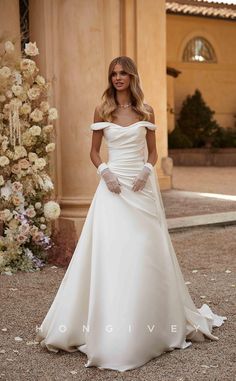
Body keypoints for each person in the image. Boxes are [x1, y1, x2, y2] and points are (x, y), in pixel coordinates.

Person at [35, 56, 227, 372]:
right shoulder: (103, 110)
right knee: (113, 252)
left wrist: (146, 170)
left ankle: (149, 320)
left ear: (132, 76)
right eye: (114, 73)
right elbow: (93, 152)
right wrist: (106, 172)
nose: (118, 78)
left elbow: (153, 151)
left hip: (141, 189)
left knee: (143, 250)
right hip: (112, 190)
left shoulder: (146, 111)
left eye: (123, 73)